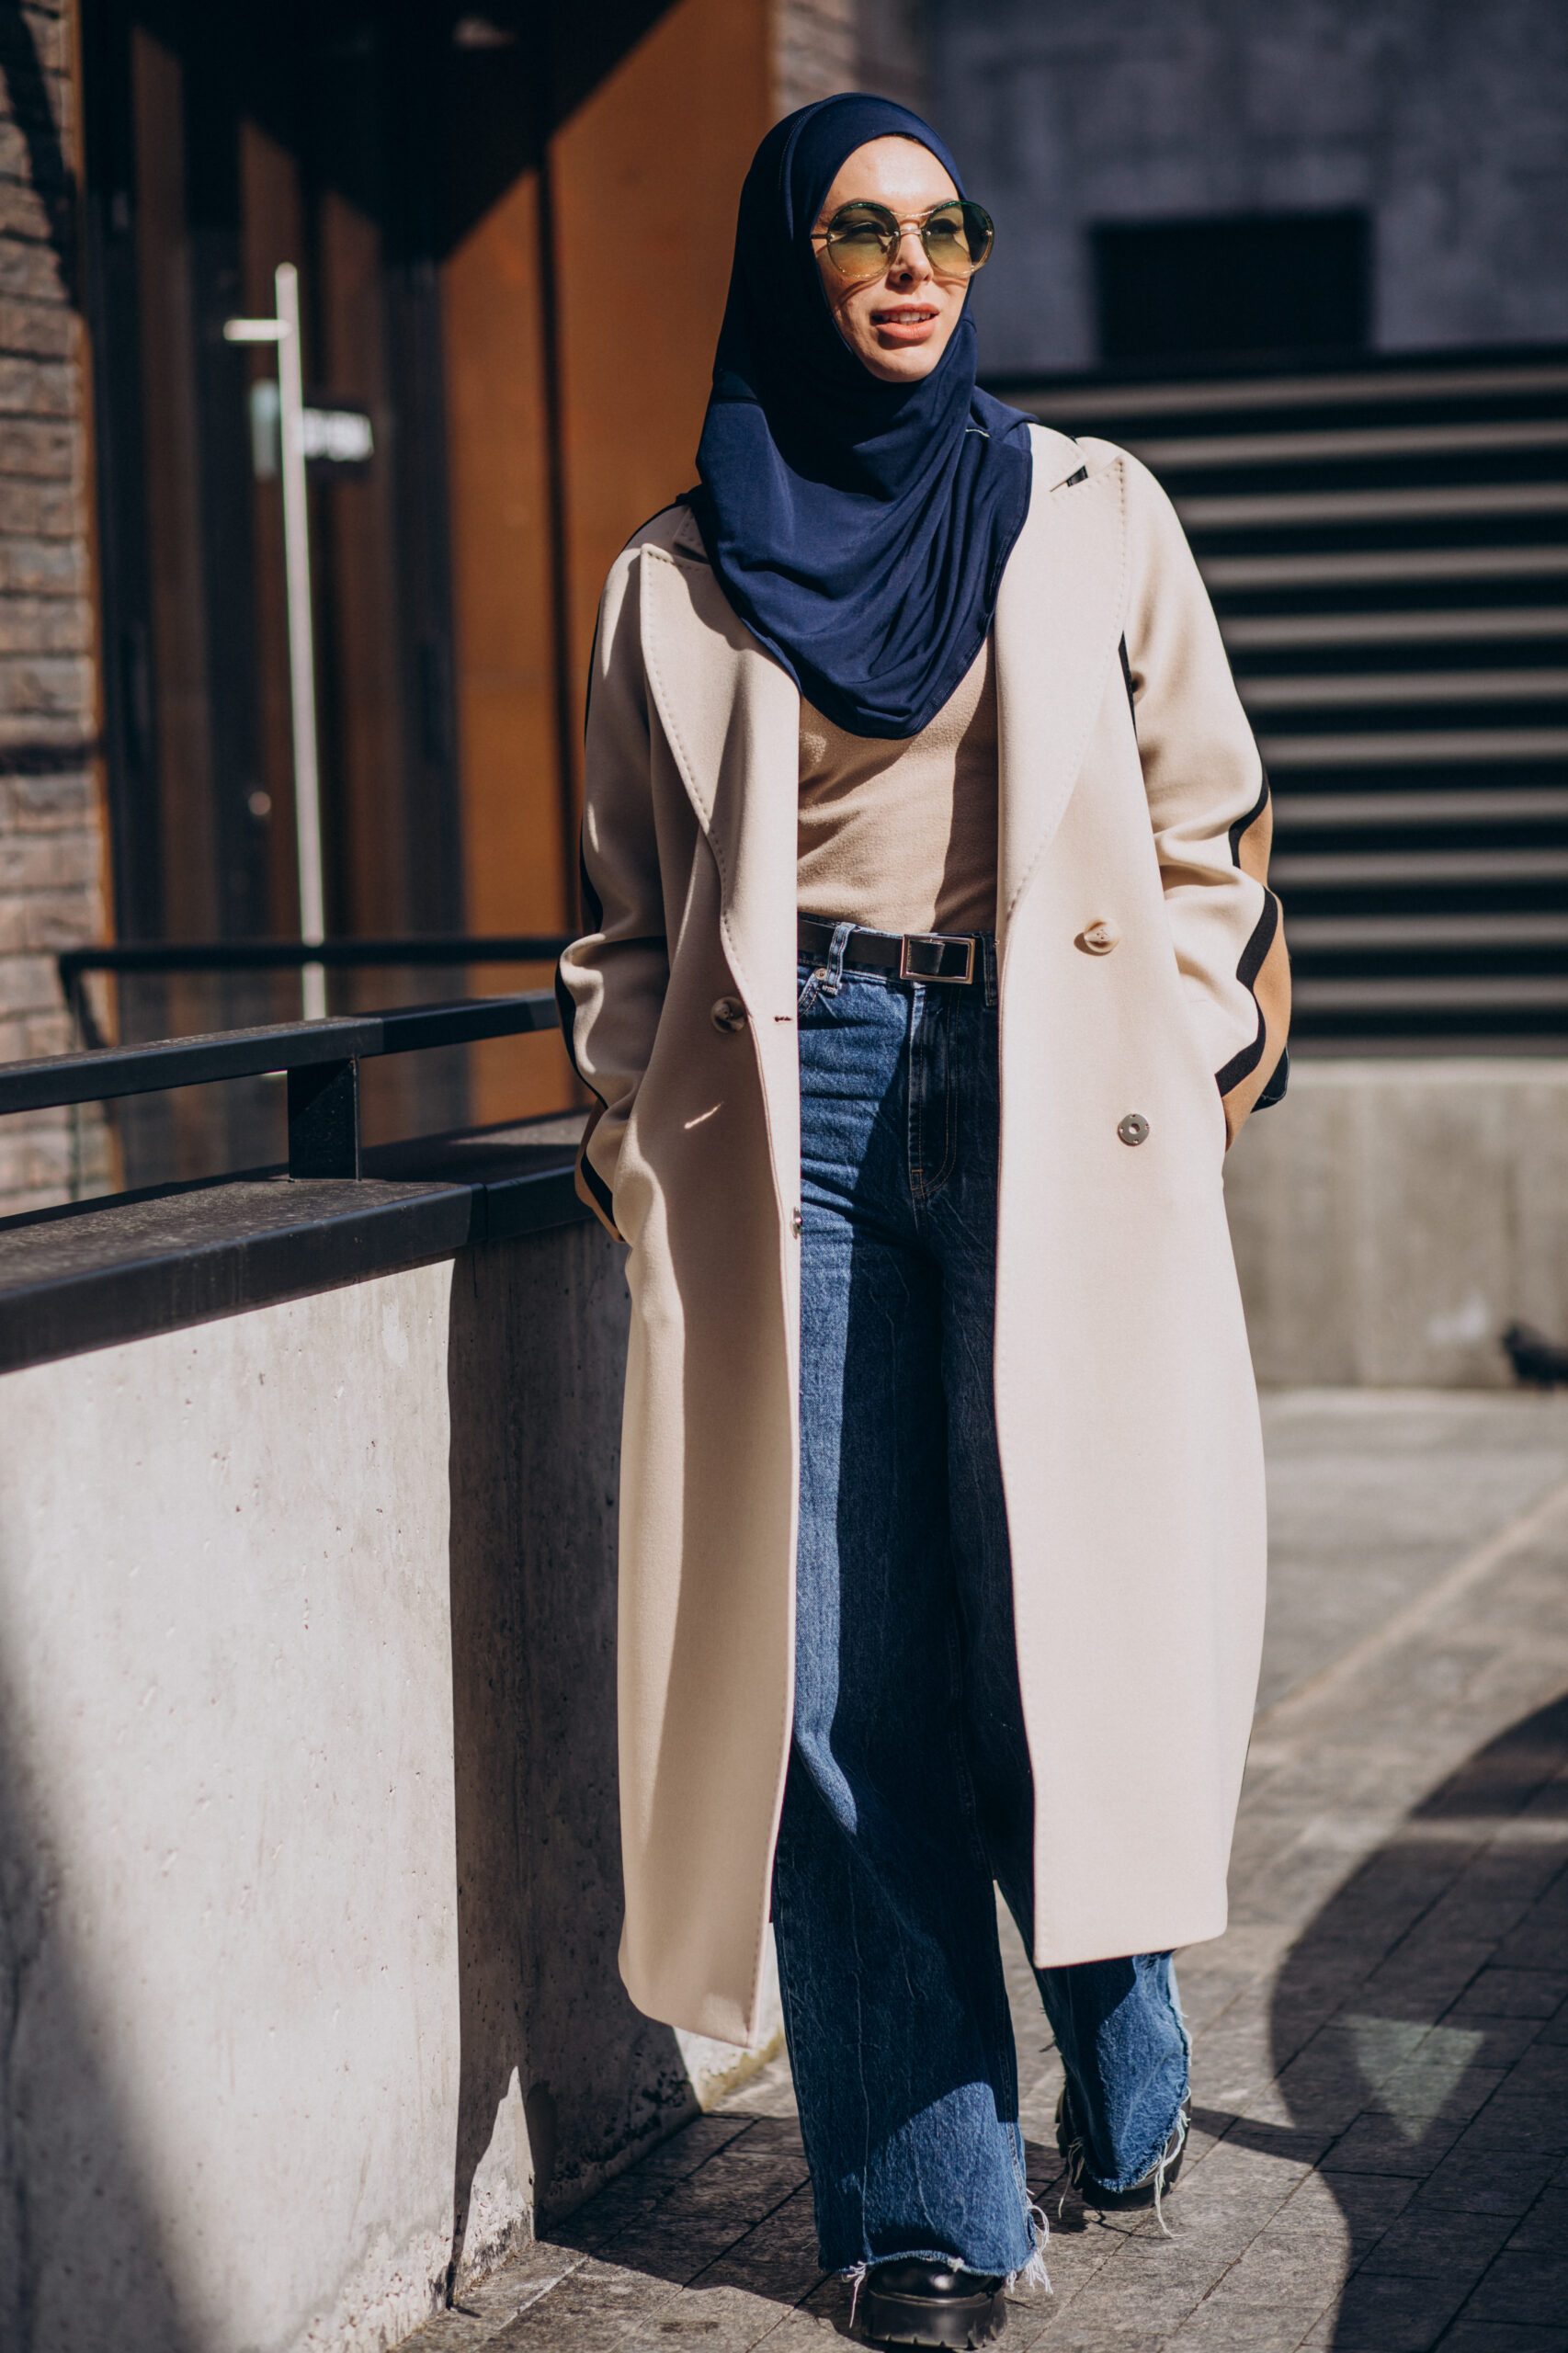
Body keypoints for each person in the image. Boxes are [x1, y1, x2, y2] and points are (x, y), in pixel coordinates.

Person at [557, 92, 1289, 2351]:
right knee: (839, 1655)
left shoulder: (1092, 511)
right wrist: (625, 1136)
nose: (907, 264)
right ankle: (932, 2196)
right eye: (860, 230)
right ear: (791, 261)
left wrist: (1185, 1056)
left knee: (1053, 1615)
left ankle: (1126, 2039)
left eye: (944, 227)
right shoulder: (672, 575)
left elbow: (1212, 835)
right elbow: (616, 920)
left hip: (1064, 1091)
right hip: (798, 1102)